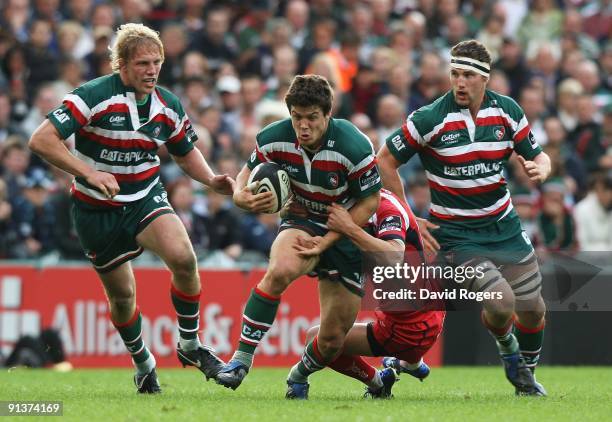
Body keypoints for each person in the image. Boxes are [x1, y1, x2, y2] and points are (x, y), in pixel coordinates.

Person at [28, 23, 235, 394]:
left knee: (184, 259)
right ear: (121, 65)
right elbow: (41, 139)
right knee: (122, 297)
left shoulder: (167, 104)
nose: (151, 70)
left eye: (156, 62)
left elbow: (184, 152)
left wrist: (210, 179)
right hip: (96, 209)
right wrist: (89, 172)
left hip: (144, 197)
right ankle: (143, 363)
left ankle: (190, 346)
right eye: (142, 63)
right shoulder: (93, 95)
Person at [377, 40, 550, 396]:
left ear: (484, 79)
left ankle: (526, 377)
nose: (459, 82)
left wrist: (541, 169)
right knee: (501, 303)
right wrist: (410, 217)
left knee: (533, 309)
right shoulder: (429, 118)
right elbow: (385, 161)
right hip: (455, 236)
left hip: (504, 227)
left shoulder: (507, 111)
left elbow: (540, 155)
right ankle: (509, 352)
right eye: (454, 73)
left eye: (468, 75)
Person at [214, 75, 382, 397]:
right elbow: (245, 173)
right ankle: (240, 360)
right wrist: (239, 195)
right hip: (301, 222)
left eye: (311, 118)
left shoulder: (353, 144)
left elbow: (370, 201)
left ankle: (308, 375)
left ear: (327, 115)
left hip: (345, 234)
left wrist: (331, 238)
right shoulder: (273, 137)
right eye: (297, 117)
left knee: (333, 340)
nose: (303, 126)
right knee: (279, 272)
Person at [296, 188, 445, 399]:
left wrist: (349, 229)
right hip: (426, 310)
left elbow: (393, 255)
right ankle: (411, 363)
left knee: (319, 339)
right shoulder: (361, 202)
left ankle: (378, 382)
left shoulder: (385, 208)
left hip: (410, 325)